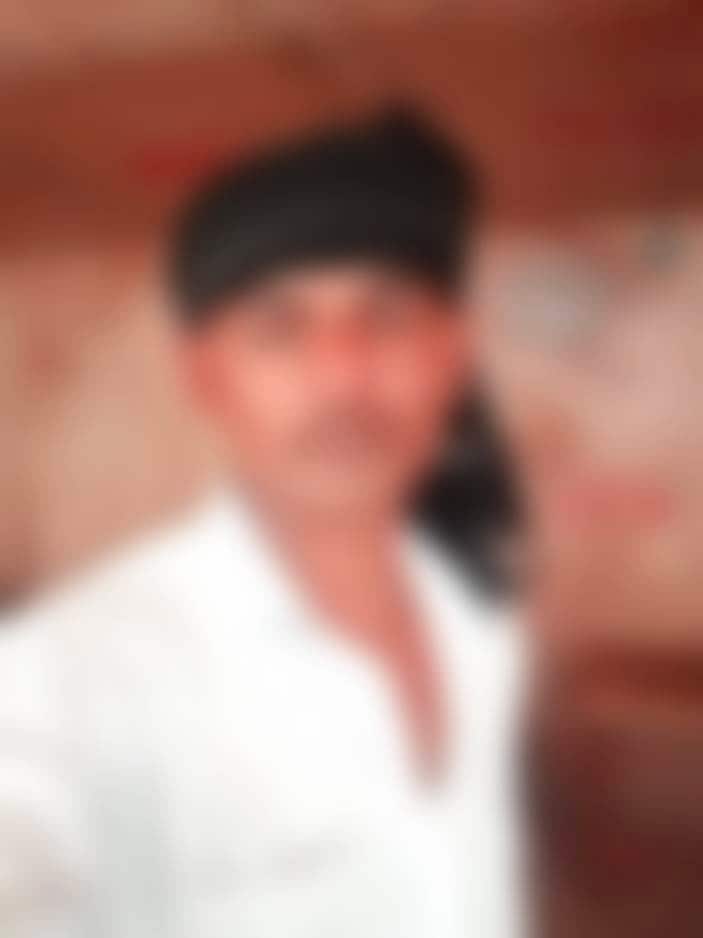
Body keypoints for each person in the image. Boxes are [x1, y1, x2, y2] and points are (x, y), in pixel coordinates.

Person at [0, 111, 525, 938]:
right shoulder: (65, 677)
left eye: (386, 315)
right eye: (280, 328)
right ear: (207, 377)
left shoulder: (477, 625)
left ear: (452, 354)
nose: (343, 374)